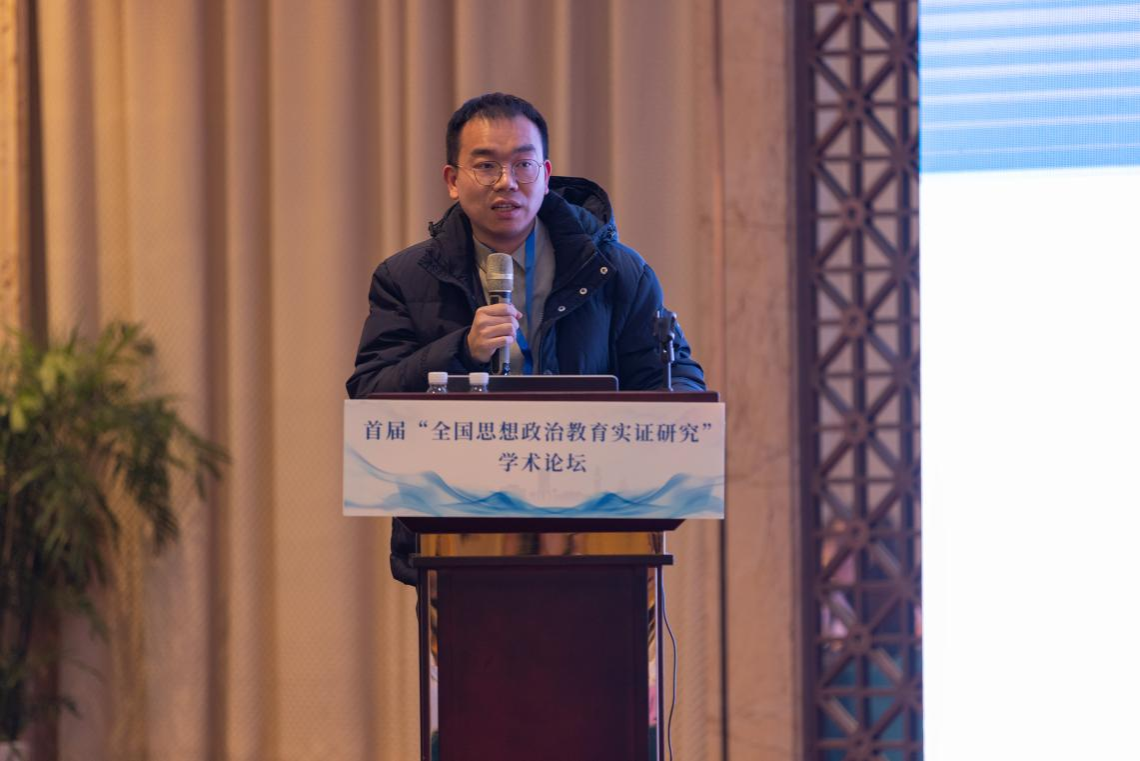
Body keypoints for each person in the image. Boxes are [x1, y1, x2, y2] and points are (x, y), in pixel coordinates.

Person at [346, 92, 705, 582]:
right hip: (458, 542)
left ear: (546, 173)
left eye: (523, 164)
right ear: (452, 180)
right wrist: (461, 351)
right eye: (486, 166)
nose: (507, 182)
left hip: (599, 539)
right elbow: (370, 398)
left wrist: (667, 438)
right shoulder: (406, 278)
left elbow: (672, 376)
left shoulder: (617, 271)